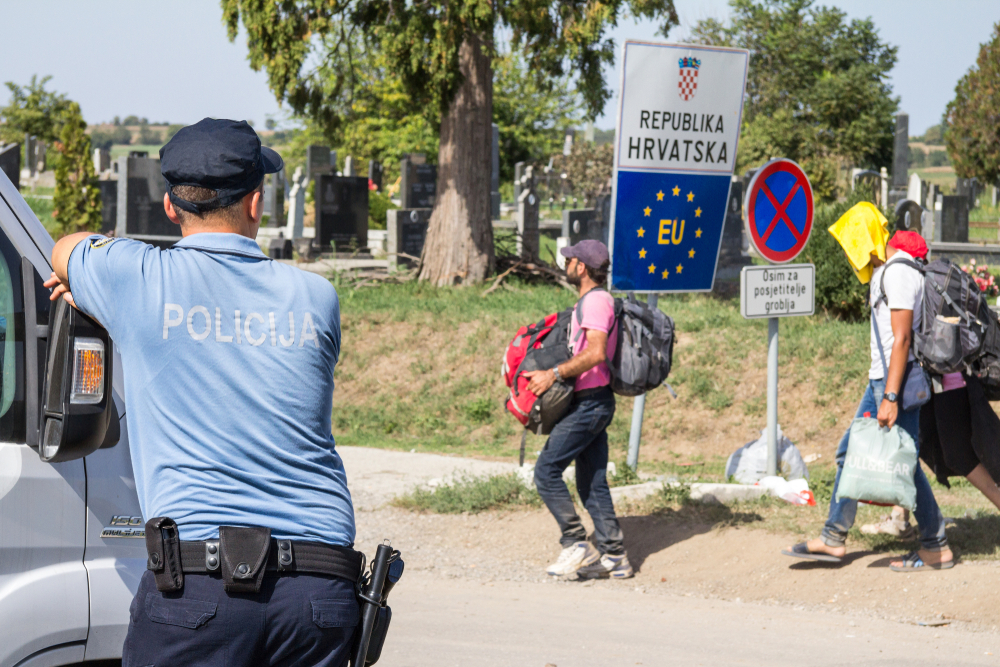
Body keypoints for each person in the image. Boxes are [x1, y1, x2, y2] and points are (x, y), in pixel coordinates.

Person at [46, 119, 360, 666]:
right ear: (256, 203)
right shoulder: (317, 298)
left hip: (200, 585)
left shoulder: (136, 279)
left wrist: (96, 292)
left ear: (171, 208)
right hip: (320, 585)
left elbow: (66, 248)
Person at [782, 207, 954, 572]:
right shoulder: (884, 273)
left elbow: (903, 337)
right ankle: (834, 537)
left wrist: (890, 396)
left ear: (863, 239)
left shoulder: (897, 273)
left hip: (898, 382)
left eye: (850, 245)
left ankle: (935, 544)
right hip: (881, 379)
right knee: (851, 453)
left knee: (902, 463)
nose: (848, 255)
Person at [523, 239, 632, 580]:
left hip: (591, 403)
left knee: (546, 471)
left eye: (570, 259)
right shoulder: (592, 300)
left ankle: (575, 542)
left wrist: (552, 373)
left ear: (581, 268)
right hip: (592, 401)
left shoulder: (597, 301)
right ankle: (615, 558)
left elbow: (596, 352)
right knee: (592, 481)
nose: (566, 264)